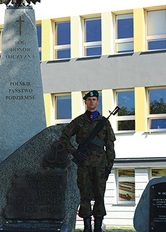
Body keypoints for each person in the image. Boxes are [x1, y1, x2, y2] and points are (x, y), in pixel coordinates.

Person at [59, 90, 116, 232]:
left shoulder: (104, 122)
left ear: (98, 102)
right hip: (84, 165)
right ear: (85, 102)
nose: (92, 102)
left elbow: (110, 145)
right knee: (84, 196)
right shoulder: (78, 122)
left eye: (94, 99)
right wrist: (74, 152)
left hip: (100, 165)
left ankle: (98, 227)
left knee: (99, 196)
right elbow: (64, 137)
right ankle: (87, 227)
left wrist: (109, 164)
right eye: (89, 99)